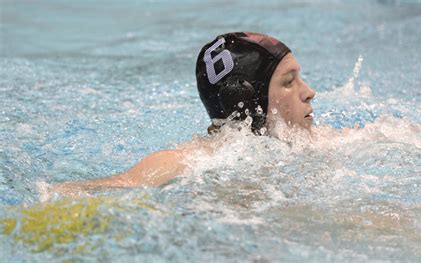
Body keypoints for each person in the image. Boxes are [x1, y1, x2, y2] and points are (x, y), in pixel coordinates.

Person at [51, 32, 316, 195]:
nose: (309, 92)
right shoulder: (187, 162)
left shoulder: (313, 144)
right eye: (288, 82)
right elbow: (71, 192)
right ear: (245, 101)